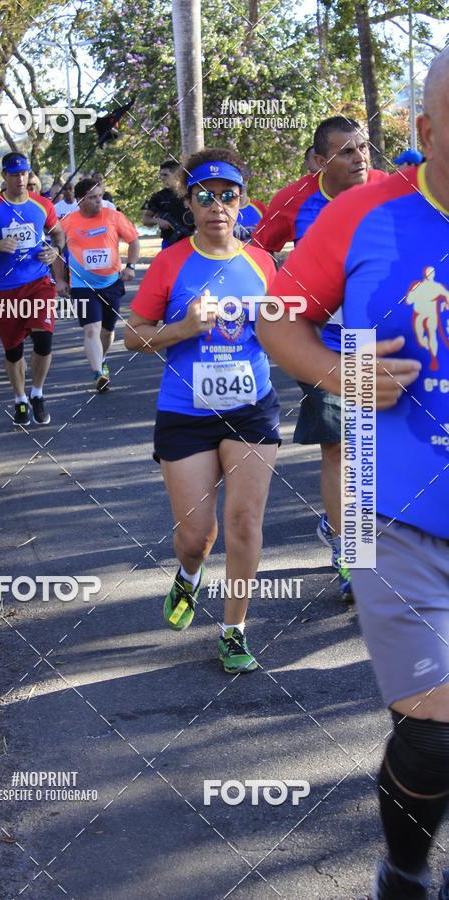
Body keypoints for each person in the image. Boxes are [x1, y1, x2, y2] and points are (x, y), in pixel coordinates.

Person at [257, 47, 449, 900]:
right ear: (427, 131)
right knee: (436, 730)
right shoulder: (365, 214)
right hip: (392, 506)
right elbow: (277, 316)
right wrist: (340, 373)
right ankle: (404, 874)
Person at [124, 148, 281, 673]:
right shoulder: (171, 262)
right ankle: (189, 574)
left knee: (244, 521)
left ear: (242, 202)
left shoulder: (261, 262)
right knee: (197, 537)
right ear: (189, 203)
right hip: (185, 411)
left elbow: (282, 330)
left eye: (228, 196)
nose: (218, 206)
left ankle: (234, 630)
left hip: (251, 407)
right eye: (205, 196)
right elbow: (133, 337)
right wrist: (184, 328)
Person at [253, 117, 388, 600]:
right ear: (318, 160)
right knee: (341, 445)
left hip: (386, 338)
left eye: (363, 148)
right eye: (347, 151)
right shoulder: (294, 199)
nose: (360, 157)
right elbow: (255, 253)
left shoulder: (393, 191)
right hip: (322, 340)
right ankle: (353, 553)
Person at [0, 151, 66, 426]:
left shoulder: (42, 205)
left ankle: (37, 393)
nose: (20, 179)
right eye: (14, 175)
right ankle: (20, 398)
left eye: (24, 174)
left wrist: (56, 250)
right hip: (6, 288)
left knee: (44, 341)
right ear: (5, 176)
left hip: (38, 283)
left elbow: (59, 233)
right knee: (13, 351)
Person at [61, 177, 139, 391]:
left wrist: (130, 266)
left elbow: (133, 240)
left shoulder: (113, 216)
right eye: (93, 197)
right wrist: (59, 279)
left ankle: (102, 358)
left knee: (107, 330)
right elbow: (57, 250)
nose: (99, 201)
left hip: (111, 282)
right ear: (79, 200)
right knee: (91, 329)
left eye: (100, 196)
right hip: (82, 285)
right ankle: (97, 374)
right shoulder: (68, 222)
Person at [141, 160, 194, 249]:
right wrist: (157, 220)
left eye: (165, 175)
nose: (162, 178)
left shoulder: (192, 193)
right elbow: (145, 219)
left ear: (177, 175)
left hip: (193, 241)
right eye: (161, 175)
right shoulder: (158, 196)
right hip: (169, 243)